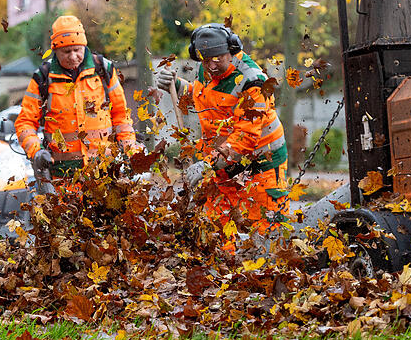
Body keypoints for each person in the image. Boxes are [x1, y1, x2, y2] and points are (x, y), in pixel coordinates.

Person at [155, 23, 288, 232]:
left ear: (232, 51)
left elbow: (244, 139)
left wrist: (206, 165)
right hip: (223, 164)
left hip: (260, 165)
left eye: (217, 59)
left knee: (264, 230)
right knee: (217, 228)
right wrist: (178, 86)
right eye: (205, 60)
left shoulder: (252, 81)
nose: (211, 66)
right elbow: (206, 103)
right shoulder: (207, 69)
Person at [15, 15, 136, 180]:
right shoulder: (44, 77)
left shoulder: (103, 69)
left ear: (84, 46)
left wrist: (130, 152)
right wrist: (36, 152)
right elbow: (25, 123)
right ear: (55, 50)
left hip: (104, 173)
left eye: (77, 50)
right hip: (64, 176)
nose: (73, 57)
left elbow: (121, 115)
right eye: (66, 52)